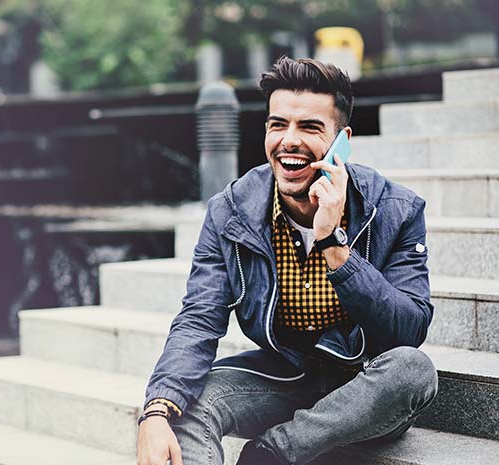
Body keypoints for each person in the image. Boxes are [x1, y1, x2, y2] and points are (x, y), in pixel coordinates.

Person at [136, 57, 439, 465]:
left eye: (310, 127)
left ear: (341, 141)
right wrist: (156, 409)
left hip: (364, 384)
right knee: (184, 405)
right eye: (278, 124)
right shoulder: (232, 212)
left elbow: (408, 328)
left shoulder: (396, 209)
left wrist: (333, 244)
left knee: (414, 369)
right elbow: (199, 318)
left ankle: (272, 453)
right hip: (285, 374)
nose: (289, 141)